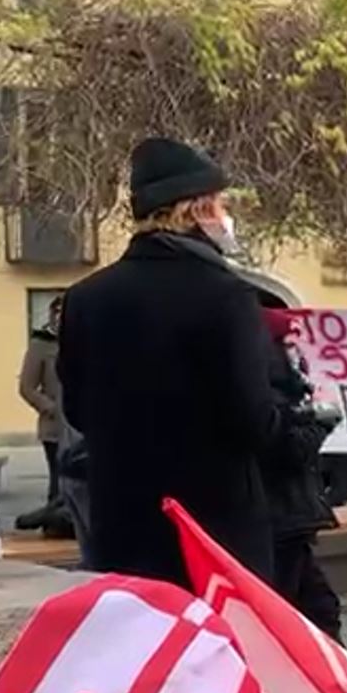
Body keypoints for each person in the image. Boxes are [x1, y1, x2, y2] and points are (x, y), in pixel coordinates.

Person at [58, 138, 282, 588]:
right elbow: (253, 420)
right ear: (194, 211)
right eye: (219, 205)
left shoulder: (86, 298)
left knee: (141, 653)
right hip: (213, 535)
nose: (225, 217)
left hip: (122, 528)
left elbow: (77, 411)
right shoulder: (226, 297)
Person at [258, 307, 345, 643]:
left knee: (319, 608)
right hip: (280, 520)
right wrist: (319, 424)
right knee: (306, 610)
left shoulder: (290, 391)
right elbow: (291, 451)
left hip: (290, 520)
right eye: (290, 344)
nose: (298, 352)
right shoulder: (271, 396)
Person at [15, 293, 64, 534]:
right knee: (58, 480)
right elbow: (26, 387)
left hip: (82, 424)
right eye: (58, 312)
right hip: (54, 427)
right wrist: (48, 407)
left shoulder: (83, 340)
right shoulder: (41, 345)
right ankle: (53, 525)